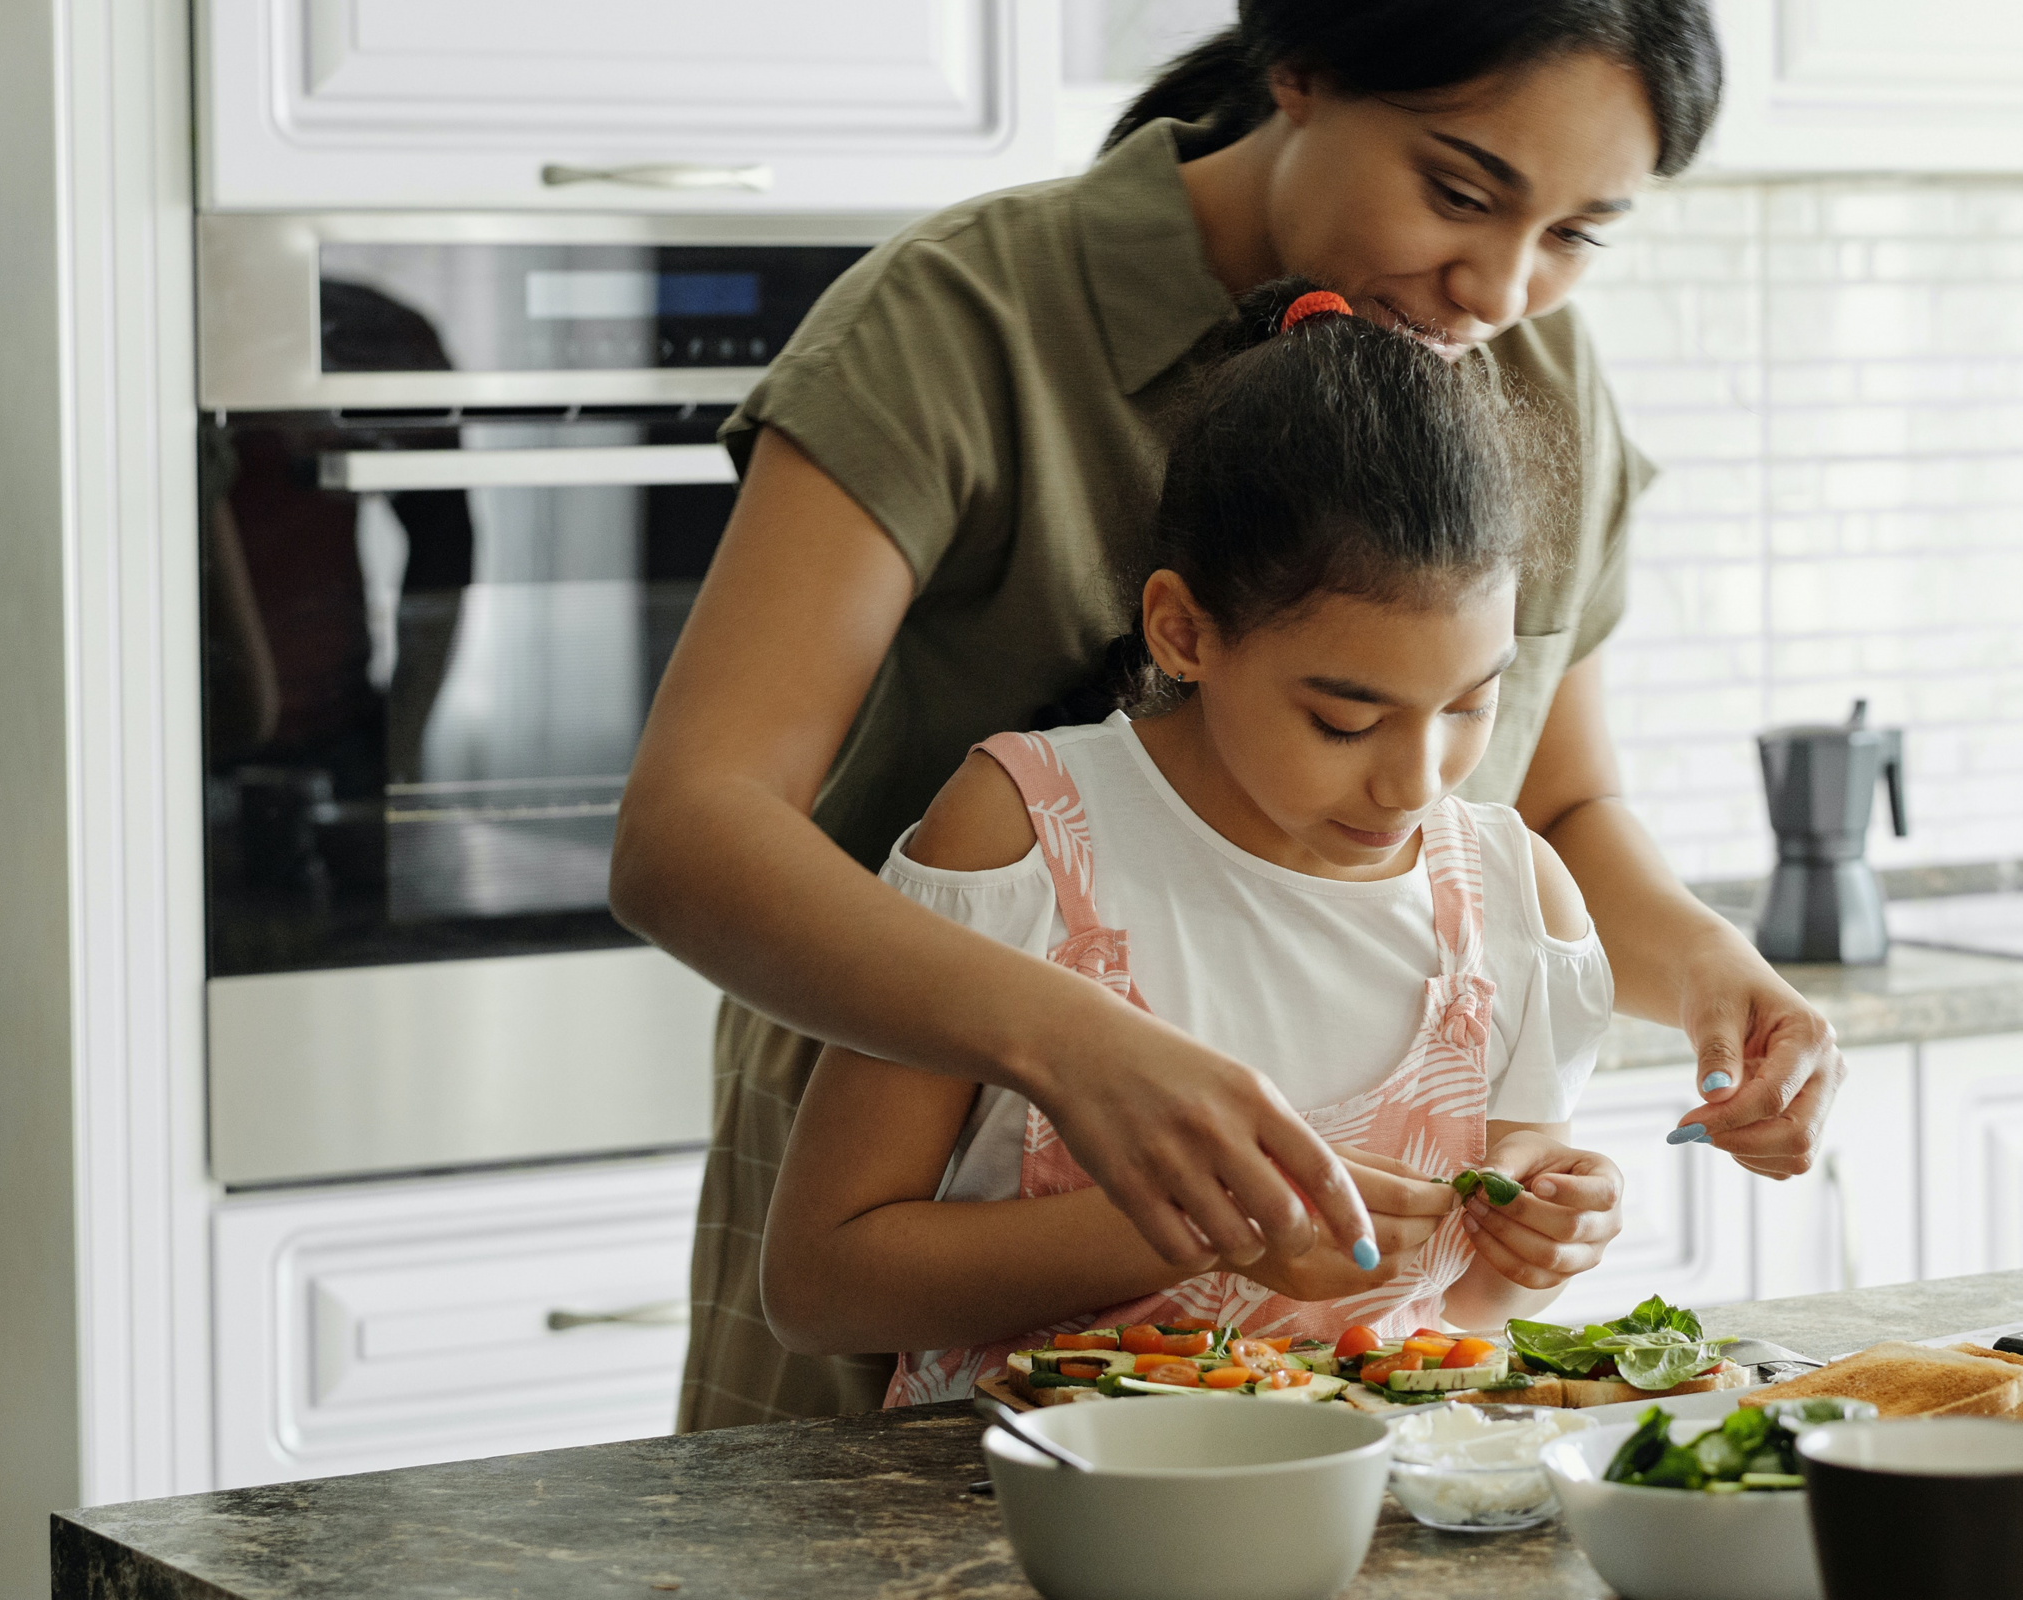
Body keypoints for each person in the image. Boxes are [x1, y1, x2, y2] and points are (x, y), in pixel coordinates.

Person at [610, 0, 1845, 1430]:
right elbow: (691, 834)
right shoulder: (967, 316)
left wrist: (1710, 974)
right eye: (1458, 191)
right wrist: (1073, 1045)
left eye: (1575, 235)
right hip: (918, 1188)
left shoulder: (1537, 385)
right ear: (1298, 72)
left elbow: (1551, 808)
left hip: (1320, 1374)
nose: (1501, 289)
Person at [765, 285, 1621, 1396]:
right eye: (1344, 720)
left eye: (1470, 704)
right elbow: (818, 1285)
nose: (1416, 780)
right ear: (1182, 630)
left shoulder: (1514, 902)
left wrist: (1535, 1248)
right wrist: (1203, 1226)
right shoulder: (1023, 837)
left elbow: (1462, 1315)